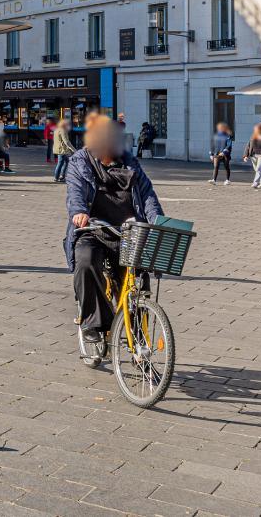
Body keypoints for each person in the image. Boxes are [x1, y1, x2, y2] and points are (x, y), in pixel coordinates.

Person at [64, 114, 162, 347]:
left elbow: (147, 194)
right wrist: (79, 211)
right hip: (93, 229)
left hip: (128, 231)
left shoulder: (129, 162)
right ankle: (93, 322)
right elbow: (75, 191)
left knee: (138, 282)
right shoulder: (80, 161)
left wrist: (157, 219)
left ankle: (138, 339)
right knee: (86, 262)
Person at [52, 116, 75, 183]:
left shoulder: (56, 130)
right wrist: (73, 150)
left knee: (65, 162)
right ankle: (57, 177)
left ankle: (61, 176)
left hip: (58, 149)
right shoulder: (62, 130)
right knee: (60, 163)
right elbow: (66, 141)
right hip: (62, 150)